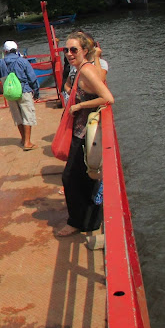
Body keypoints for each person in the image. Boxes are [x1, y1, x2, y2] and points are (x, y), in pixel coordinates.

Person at [56, 31, 115, 237]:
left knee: (70, 178)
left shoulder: (86, 71)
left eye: (74, 50)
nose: (69, 54)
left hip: (84, 135)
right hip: (81, 131)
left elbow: (108, 98)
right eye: (66, 50)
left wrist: (79, 105)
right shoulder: (80, 69)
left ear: (85, 51)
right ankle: (89, 222)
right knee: (83, 178)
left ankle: (77, 222)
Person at [0, 41, 40, 150]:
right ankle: (27, 143)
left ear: (5, 51)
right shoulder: (23, 61)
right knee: (27, 115)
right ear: (16, 50)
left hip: (10, 94)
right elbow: (32, 78)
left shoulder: (1, 62)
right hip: (24, 91)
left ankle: (23, 139)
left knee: (17, 116)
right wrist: (36, 92)